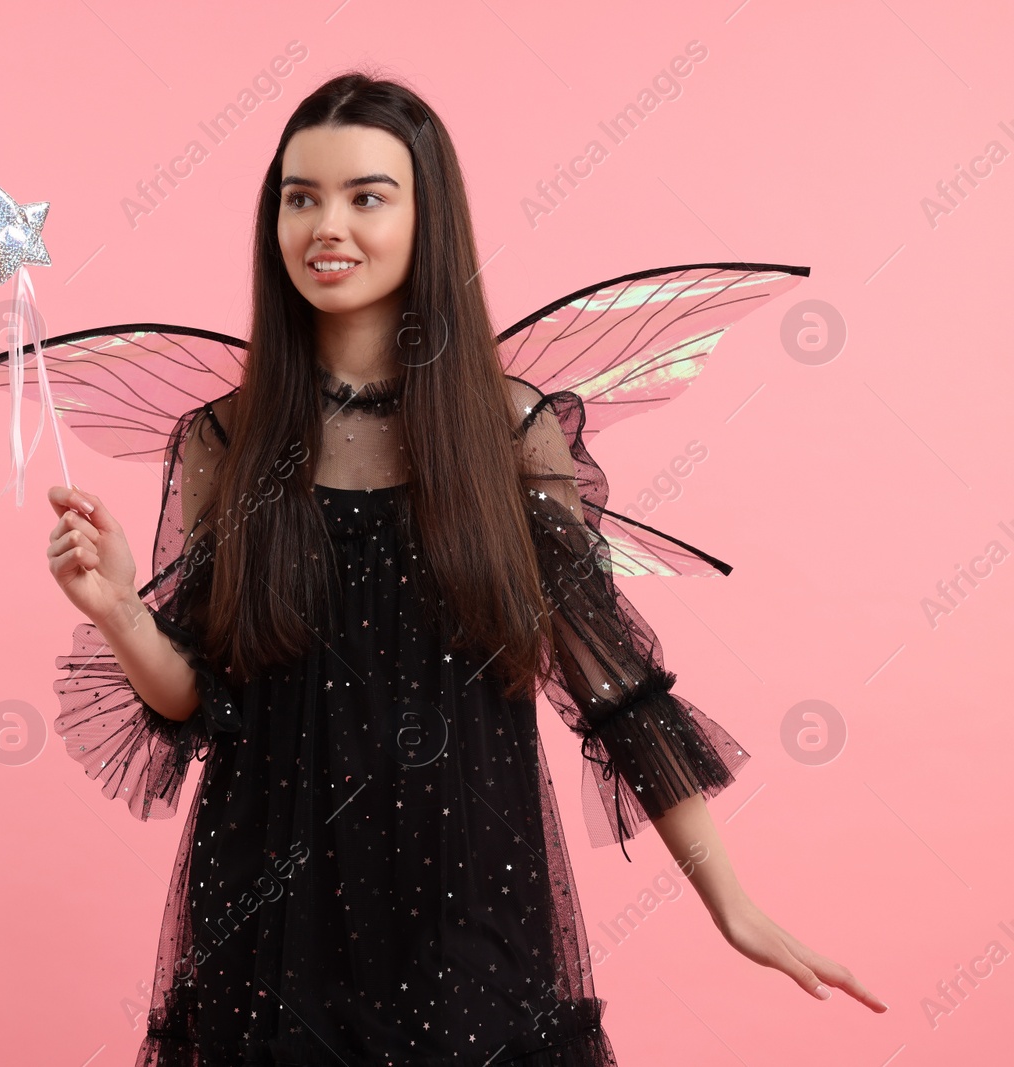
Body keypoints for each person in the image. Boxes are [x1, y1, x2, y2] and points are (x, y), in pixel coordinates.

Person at [45, 72, 885, 1066]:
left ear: (426, 214)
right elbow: (198, 694)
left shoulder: (504, 432)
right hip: (269, 903)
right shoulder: (227, 438)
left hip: (463, 895)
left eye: (367, 195)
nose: (328, 225)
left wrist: (730, 901)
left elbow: (610, 684)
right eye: (299, 196)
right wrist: (113, 610)